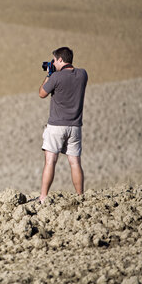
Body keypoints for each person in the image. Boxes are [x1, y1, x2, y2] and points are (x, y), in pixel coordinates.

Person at [38, 47, 88, 204]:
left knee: (50, 161)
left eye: (54, 60)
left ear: (60, 60)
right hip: (75, 126)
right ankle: (80, 196)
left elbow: (41, 93)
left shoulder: (56, 78)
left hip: (56, 126)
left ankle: (43, 197)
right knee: (75, 162)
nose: (52, 62)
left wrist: (49, 74)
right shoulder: (82, 74)